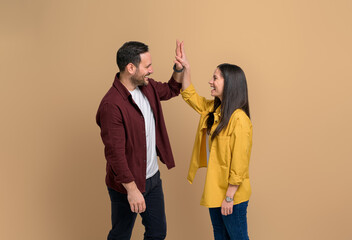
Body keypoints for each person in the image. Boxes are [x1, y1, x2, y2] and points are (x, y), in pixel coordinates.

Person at [96, 41, 184, 240]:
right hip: (126, 185)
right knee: (121, 235)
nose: (151, 70)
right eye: (147, 66)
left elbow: (171, 89)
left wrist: (178, 68)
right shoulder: (111, 105)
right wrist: (132, 189)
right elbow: (115, 154)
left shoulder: (147, 87)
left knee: (157, 233)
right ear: (130, 68)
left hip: (152, 180)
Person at [175, 42, 253, 240]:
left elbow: (240, 164)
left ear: (230, 83)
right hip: (214, 189)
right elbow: (190, 96)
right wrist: (186, 68)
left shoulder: (239, 120)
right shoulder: (213, 110)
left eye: (215, 78)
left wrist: (229, 197)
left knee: (237, 237)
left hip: (231, 194)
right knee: (220, 236)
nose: (210, 82)